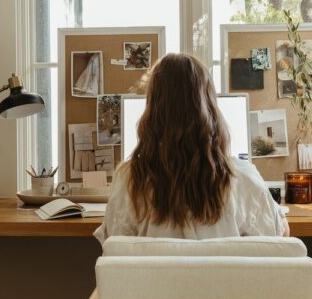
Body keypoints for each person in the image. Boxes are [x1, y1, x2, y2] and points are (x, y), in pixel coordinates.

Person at [94, 53, 289, 244]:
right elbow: (278, 237)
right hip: (222, 278)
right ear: (211, 110)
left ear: (152, 113)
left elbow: (114, 247)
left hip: (156, 278)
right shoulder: (243, 177)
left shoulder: (129, 180)